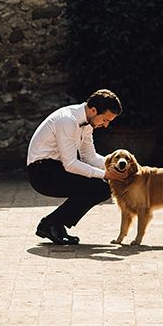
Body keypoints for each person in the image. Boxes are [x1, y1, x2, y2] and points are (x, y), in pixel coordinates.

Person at [26, 89, 127, 245]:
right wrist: (105, 175)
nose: (106, 125)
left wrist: (114, 166)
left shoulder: (87, 123)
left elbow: (89, 157)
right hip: (42, 172)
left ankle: (55, 224)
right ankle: (50, 224)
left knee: (101, 187)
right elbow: (71, 164)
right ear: (93, 110)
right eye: (105, 120)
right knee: (101, 186)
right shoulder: (67, 120)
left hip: (55, 168)